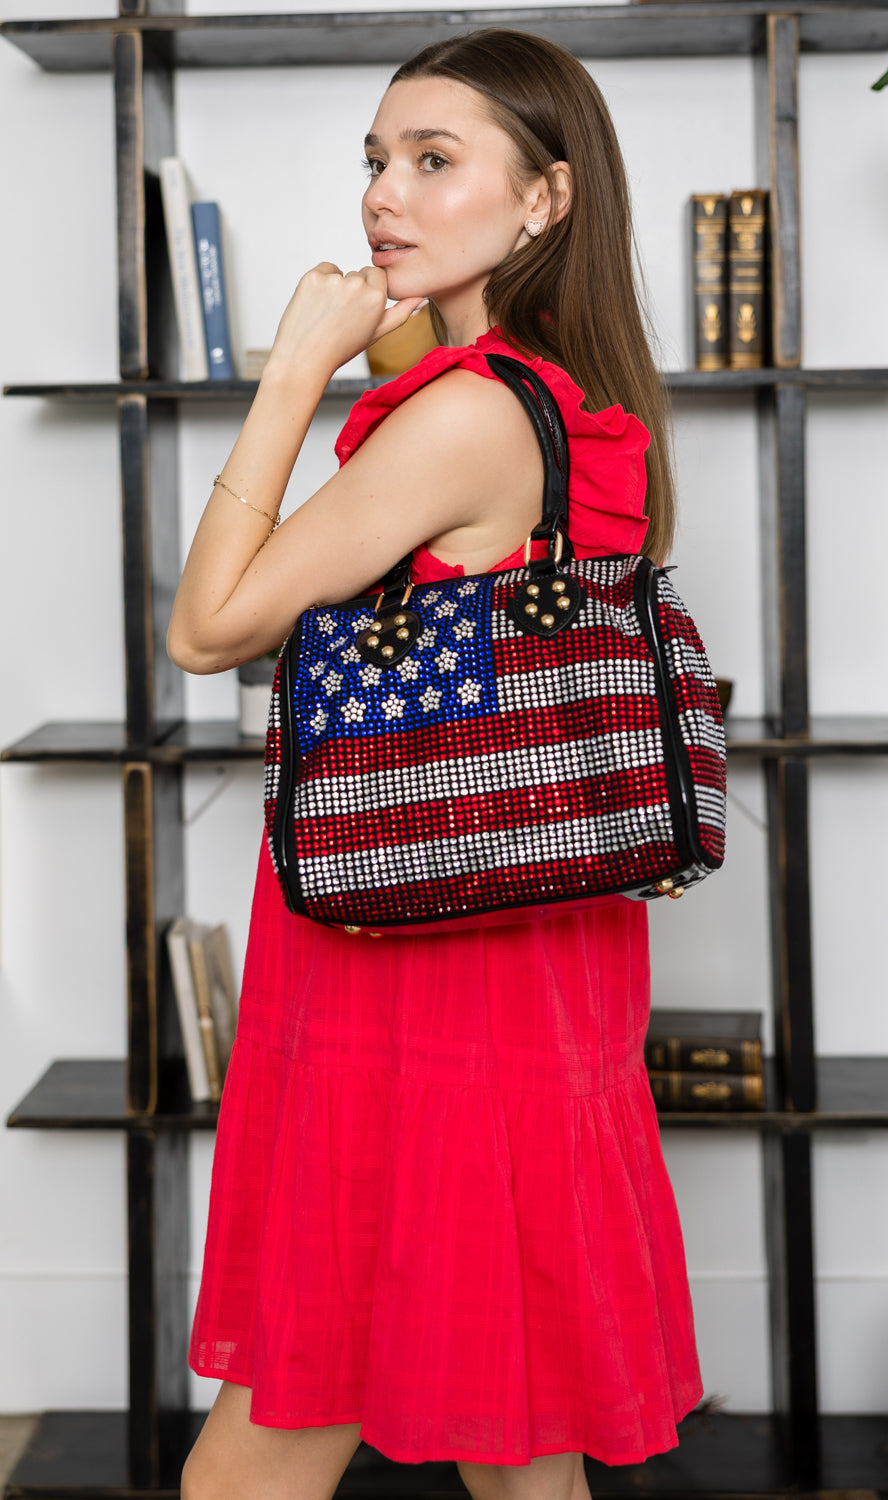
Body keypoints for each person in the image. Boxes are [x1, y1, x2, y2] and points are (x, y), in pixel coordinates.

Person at [168, 28, 702, 1500]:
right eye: (374, 160)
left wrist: (289, 377)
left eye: (432, 160)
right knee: (515, 1425)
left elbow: (207, 627)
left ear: (543, 202)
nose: (383, 197)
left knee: (288, 1413)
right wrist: (385, 348)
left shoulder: (462, 419)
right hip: (519, 952)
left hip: (413, 964)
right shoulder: (555, 401)